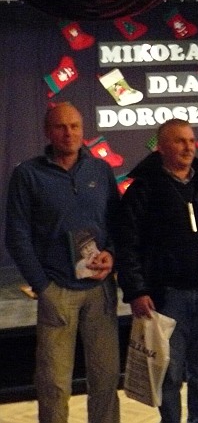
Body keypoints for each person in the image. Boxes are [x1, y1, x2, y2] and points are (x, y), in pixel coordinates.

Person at [114, 118, 198, 423]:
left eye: (190, 140)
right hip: (166, 297)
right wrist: (137, 290)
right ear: (161, 147)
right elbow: (127, 245)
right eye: (179, 141)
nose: (188, 147)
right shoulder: (143, 189)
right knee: (169, 373)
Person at [5, 101, 121, 423]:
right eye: (60, 126)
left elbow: (117, 223)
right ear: (47, 131)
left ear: (83, 130)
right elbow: (17, 236)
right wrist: (43, 287)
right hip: (57, 291)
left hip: (99, 289)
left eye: (75, 126)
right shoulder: (28, 174)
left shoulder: (100, 170)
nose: (69, 133)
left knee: (105, 379)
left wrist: (112, 254)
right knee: (54, 384)